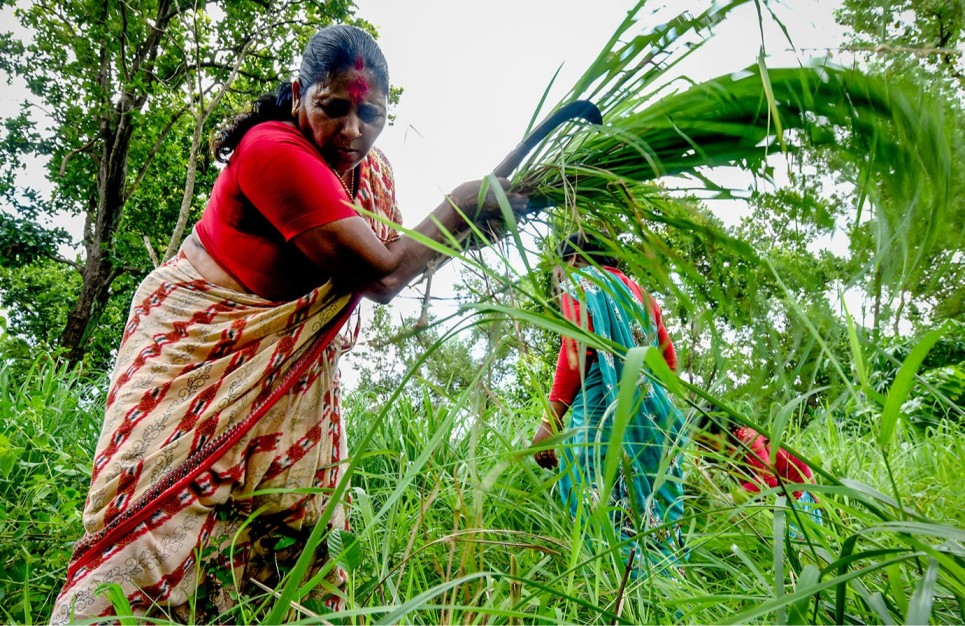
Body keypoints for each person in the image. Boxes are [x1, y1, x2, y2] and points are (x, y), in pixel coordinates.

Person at [52, 24, 528, 624]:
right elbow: (381, 275)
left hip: (284, 365)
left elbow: (404, 251)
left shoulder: (362, 170)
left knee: (295, 526)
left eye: (371, 115)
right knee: (162, 519)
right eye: (333, 108)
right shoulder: (272, 151)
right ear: (301, 93)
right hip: (202, 350)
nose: (353, 131)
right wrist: (461, 205)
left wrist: (485, 212)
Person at [530, 233, 687, 577]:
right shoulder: (642, 296)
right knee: (652, 509)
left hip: (600, 419)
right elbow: (669, 362)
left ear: (571, 261)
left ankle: (613, 591)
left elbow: (576, 352)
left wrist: (549, 422)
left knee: (600, 506)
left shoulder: (582, 284)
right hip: (654, 424)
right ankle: (667, 588)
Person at [697, 419, 822, 528]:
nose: (705, 448)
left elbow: (768, 480)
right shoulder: (727, 450)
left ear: (722, 431)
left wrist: (731, 498)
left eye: (709, 441)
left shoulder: (747, 438)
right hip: (780, 498)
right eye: (700, 444)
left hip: (797, 491)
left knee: (801, 547)